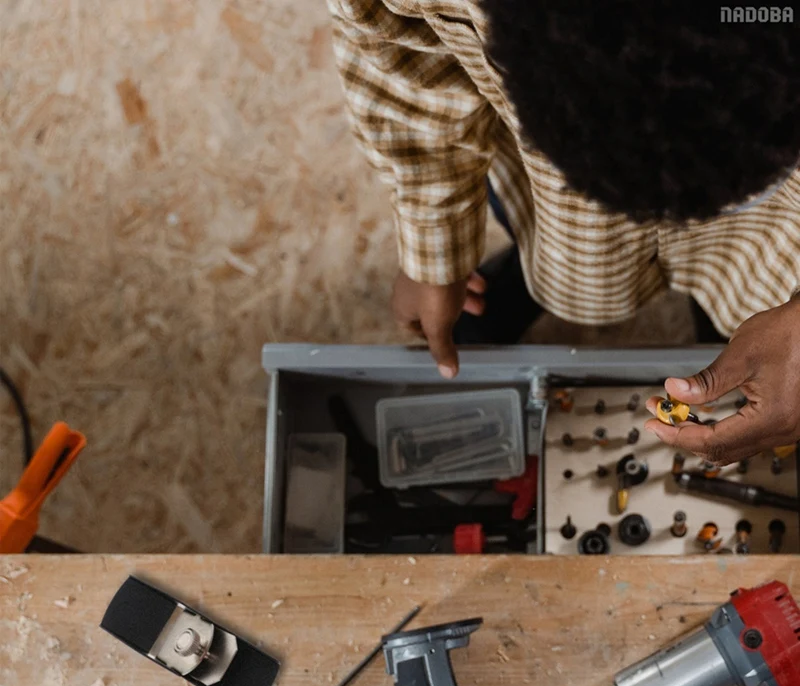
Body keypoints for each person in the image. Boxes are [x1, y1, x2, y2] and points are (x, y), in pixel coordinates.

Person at [326, 0, 800, 465]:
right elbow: (401, 64)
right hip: (560, 220)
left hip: (760, 238)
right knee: (548, 255)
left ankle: (724, 322)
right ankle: (530, 272)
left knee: (737, 311)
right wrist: (434, 244)